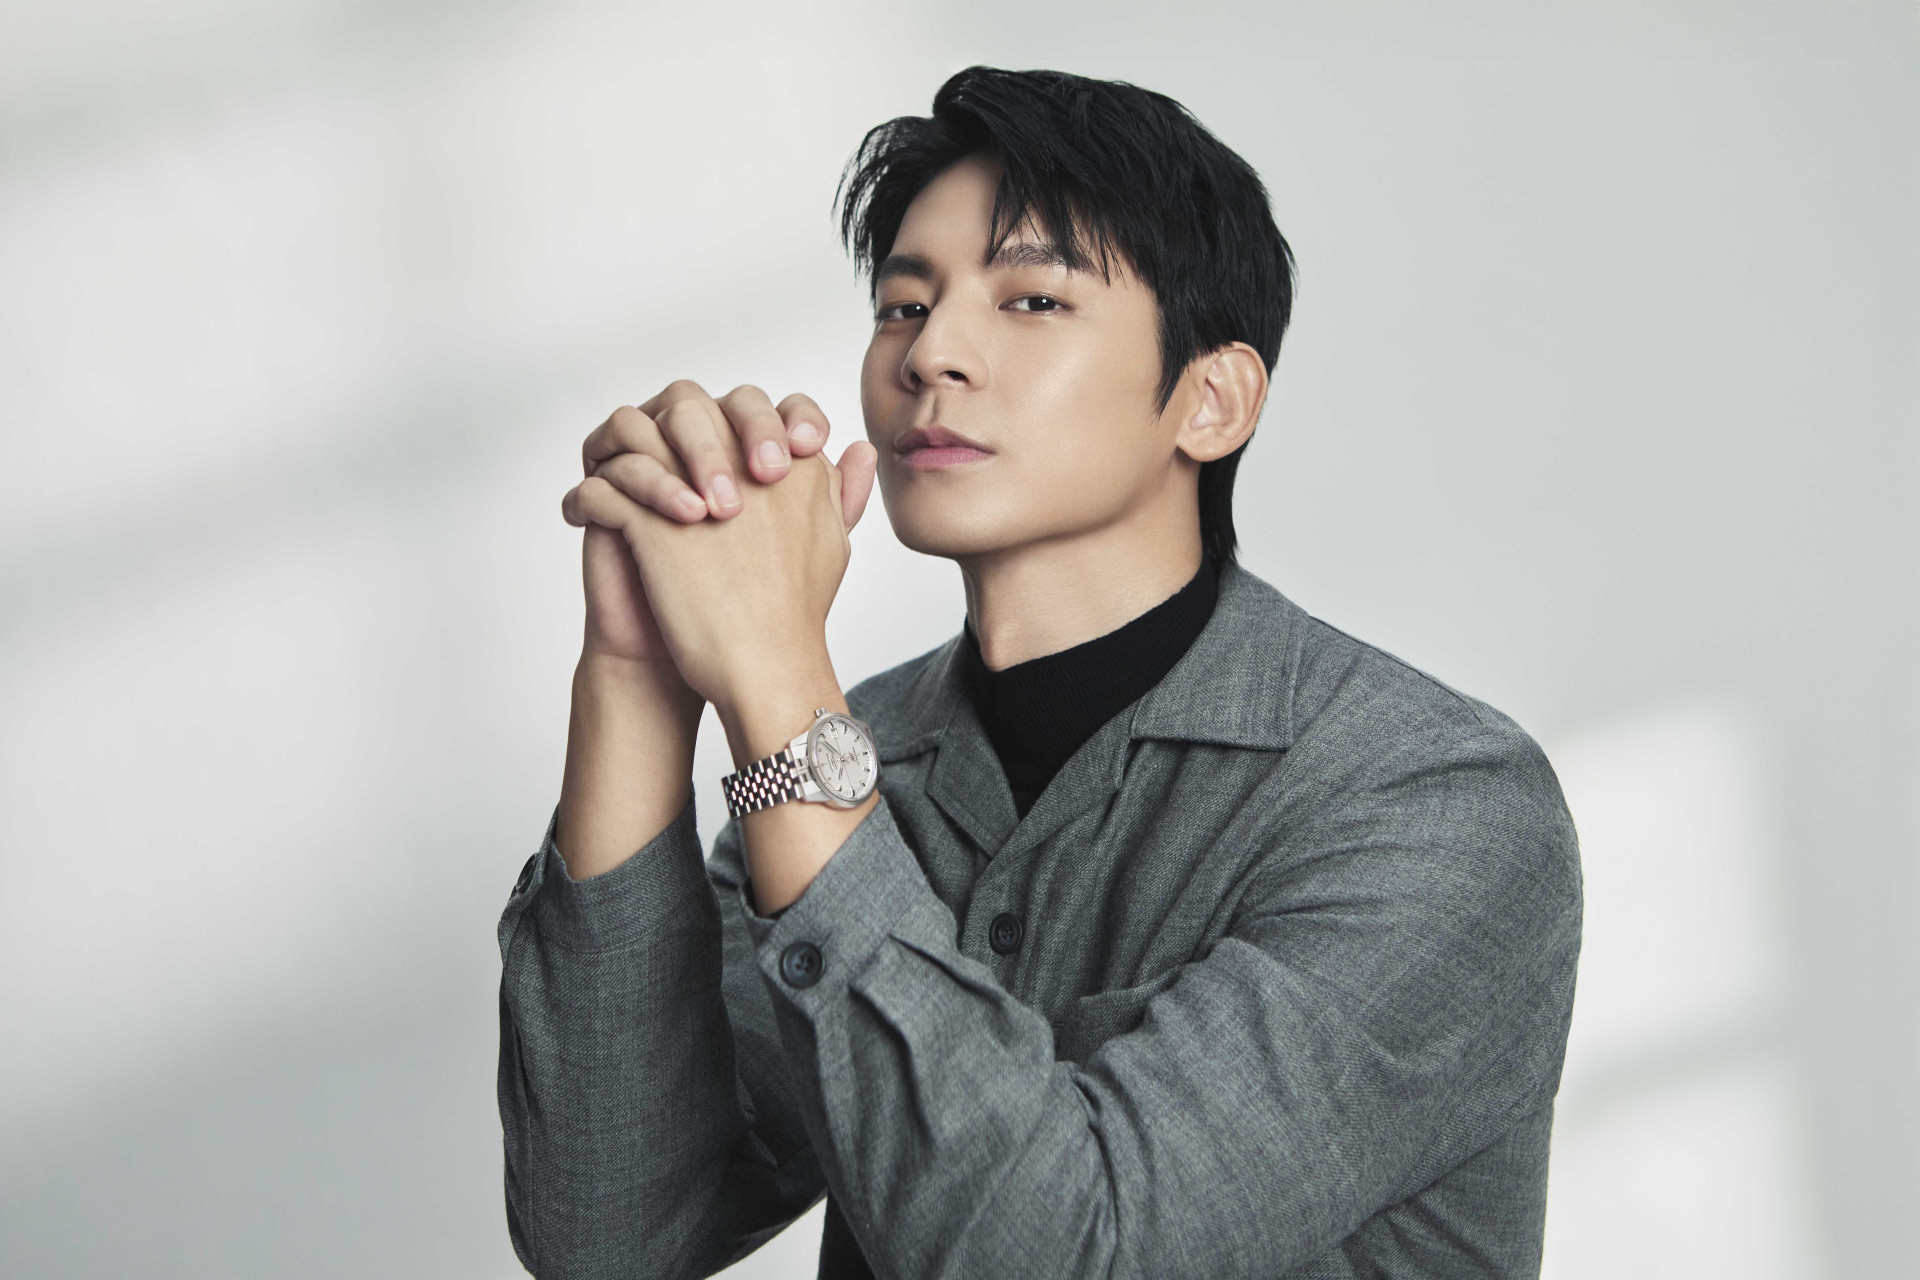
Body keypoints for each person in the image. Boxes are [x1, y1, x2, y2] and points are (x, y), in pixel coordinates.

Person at [496, 65, 1582, 1280]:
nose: (932, 353)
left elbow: (1071, 1250)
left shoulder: (1436, 801)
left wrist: (771, 674)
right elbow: (609, 1233)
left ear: (1212, 400)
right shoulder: (851, 751)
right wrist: (638, 673)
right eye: (904, 305)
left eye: (1031, 299)